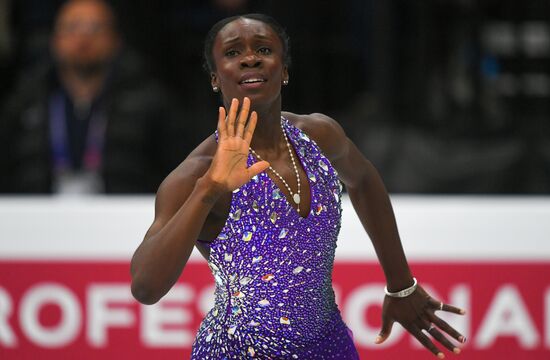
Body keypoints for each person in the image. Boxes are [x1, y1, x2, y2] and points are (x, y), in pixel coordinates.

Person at [130, 13, 466, 359]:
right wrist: (209, 189)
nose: (250, 57)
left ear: (285, 70)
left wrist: (400, 285)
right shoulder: (195, 174)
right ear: (215, 78)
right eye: (232, 53)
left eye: (263, 48)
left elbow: (364, 180)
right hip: (239, 352)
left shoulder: (319, 136)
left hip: (328, 346)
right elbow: (145, 287)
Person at [0, 0, 189, 194]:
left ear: (116, 40)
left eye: (95, 28)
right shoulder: (24, 102)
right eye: (72, 27)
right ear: (54, 40)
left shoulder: (148, 102)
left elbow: (177, 171)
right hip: (32, 215)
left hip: (125, 213)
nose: (83, 38)